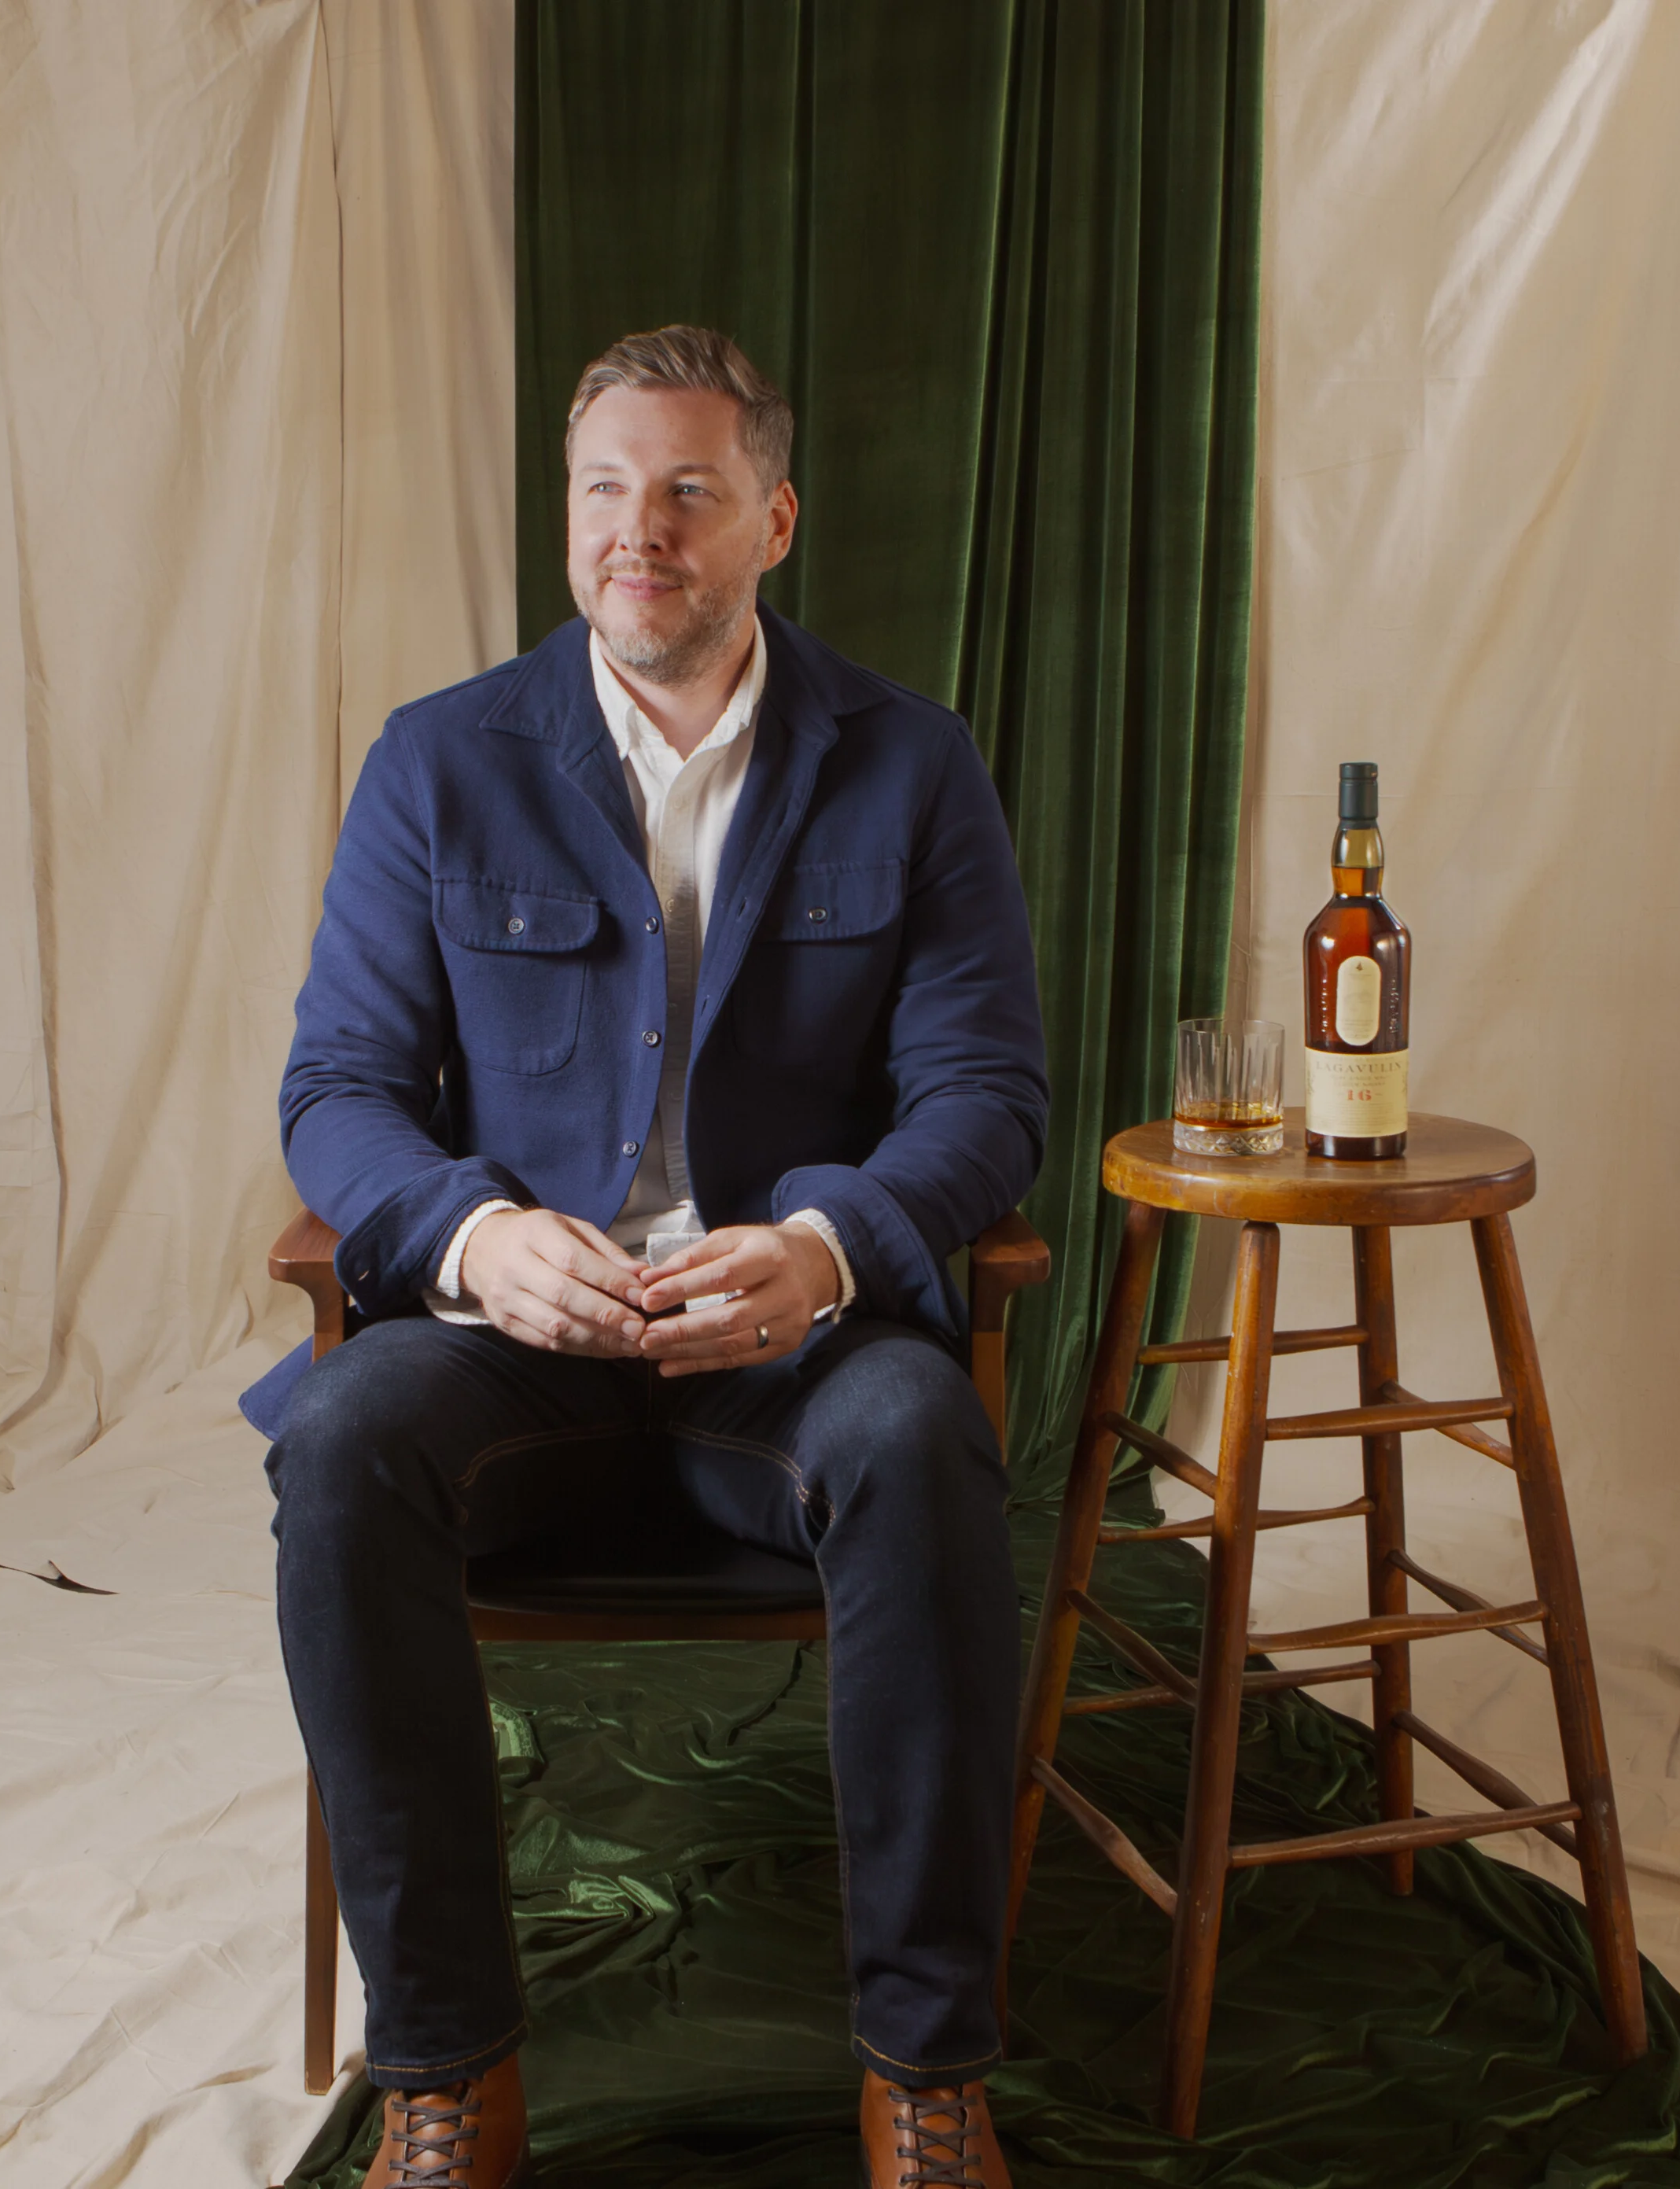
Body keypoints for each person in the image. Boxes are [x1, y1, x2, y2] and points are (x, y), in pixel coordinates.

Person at [246, 326, 1050, 2189]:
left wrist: (830, 1247)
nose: (639, 529)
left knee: (921, 1435)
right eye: (605, 487)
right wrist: (476, 1237)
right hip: (519, 1348)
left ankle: (926, 2075)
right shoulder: (439, 760)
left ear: (776, 519)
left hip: (787, 1353)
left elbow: (985, 1090)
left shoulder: (911, 761)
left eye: (689, 489)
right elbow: (338, 1086)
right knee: (342, 1444)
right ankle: (446, 2071)